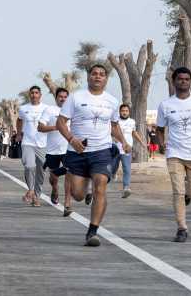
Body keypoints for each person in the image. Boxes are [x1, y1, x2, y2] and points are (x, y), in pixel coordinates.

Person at [56, 64, 130, 247]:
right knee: (78, 195)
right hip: (78, 152)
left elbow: (114, 126)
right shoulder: (75, 97)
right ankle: (85, 182)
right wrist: (72, 139)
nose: (98, 77)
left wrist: (124, 142)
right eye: (94, 74)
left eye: (102, 74)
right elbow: (61, 122)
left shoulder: (112, 101)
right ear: (88, 77)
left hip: (102, 151)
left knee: (101, 188)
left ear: (106, 79)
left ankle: (92, 231)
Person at [156, 67, 191, 243]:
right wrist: (160, 143)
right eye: (180, 79)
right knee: (177, 192)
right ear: (174, 81)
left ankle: (189, 194)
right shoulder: (166, 105)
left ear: (190, 81)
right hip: (175, 153)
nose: (183, 81)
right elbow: (159, 129)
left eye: (187, 79)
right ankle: (182, 228)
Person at [37, 87, 73, 216]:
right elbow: (40, 127)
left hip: (68, 149)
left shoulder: (73, 111)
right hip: (52, 150)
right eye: (60, 97)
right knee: (53, 178)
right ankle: (55, 189)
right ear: (56, 98)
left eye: (65, 97)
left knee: (70, 173)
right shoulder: (49, 110)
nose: (63, 99)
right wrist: (56, 127)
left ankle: (67, 203)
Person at [16, 86, 47, 207]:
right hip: (28, 142)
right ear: (30, 95)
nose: (34, 95)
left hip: (43, 143)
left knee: (41, 171)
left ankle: (37, 196)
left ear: (40, 95)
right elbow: (19, 120)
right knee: (29, 166)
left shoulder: (46, 108)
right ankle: (31, 189)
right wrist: (18, 134)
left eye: (36, 93)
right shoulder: (24, 108)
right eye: (32, 93)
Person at [111, 104, 144, 198]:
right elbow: (111, 131)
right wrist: (114, 137)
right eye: (123, 111)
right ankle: (113, 173)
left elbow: (134, 132)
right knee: (114, 166)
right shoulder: (115, 122)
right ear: (120, 112)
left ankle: (126, 187)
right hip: (116, 149)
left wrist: (141, 142)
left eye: (126, 111)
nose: (124, 112)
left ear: (129, 112)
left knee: (127, 169)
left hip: (127, 149)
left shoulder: (132, 122)